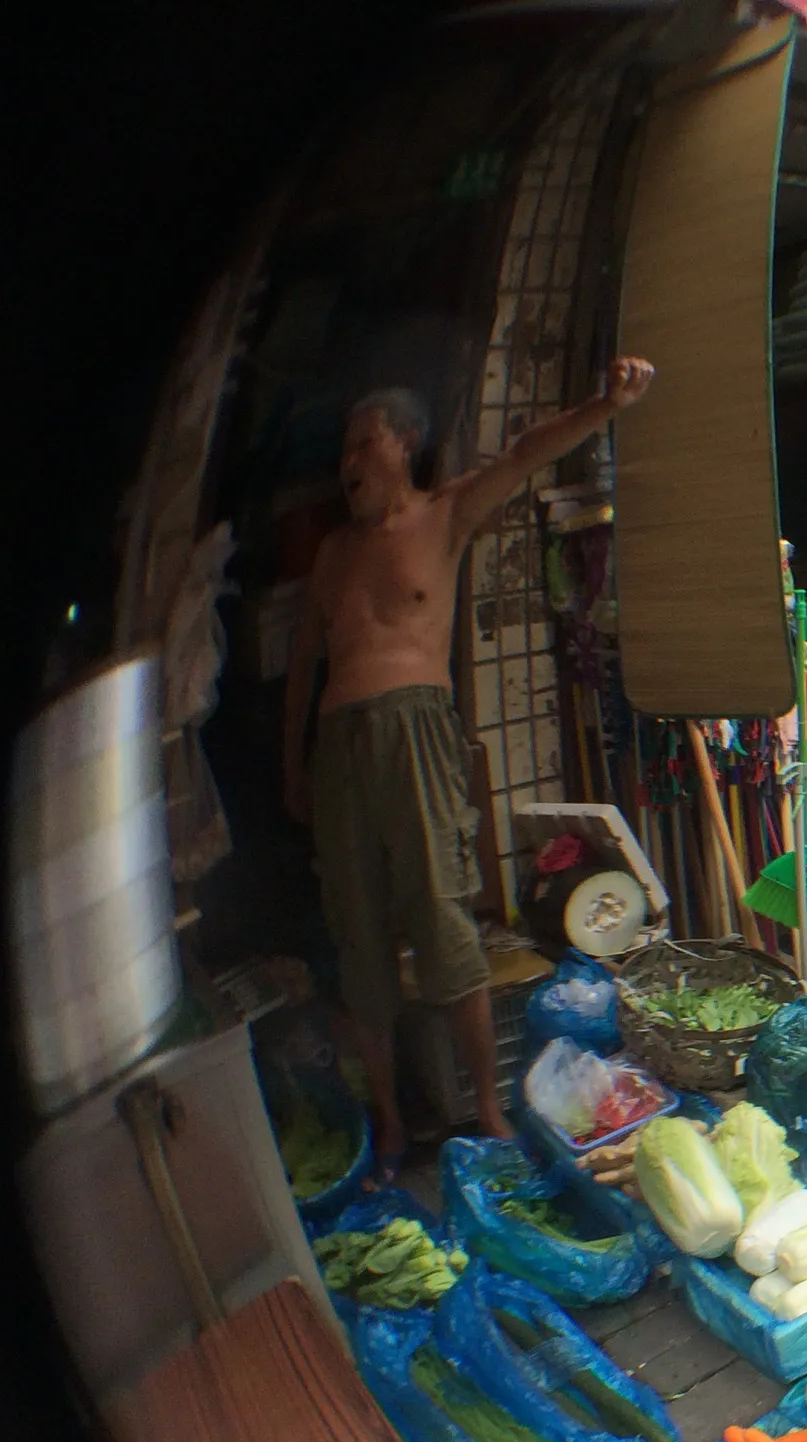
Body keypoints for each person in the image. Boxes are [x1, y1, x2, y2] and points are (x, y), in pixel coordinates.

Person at [285, 358, 657, 1174]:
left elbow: (525, 454)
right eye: (344, 447)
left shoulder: (444, 516)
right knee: (359, 942)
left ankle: (487, 1109)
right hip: (340, 749)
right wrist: (294, 765)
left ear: (405, 442)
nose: (348, 460)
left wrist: (607, 401)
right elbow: (306, 662)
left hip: (418, 737)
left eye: (363, 441)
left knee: (445, 928)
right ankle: (388, 1120)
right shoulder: (333, 554)